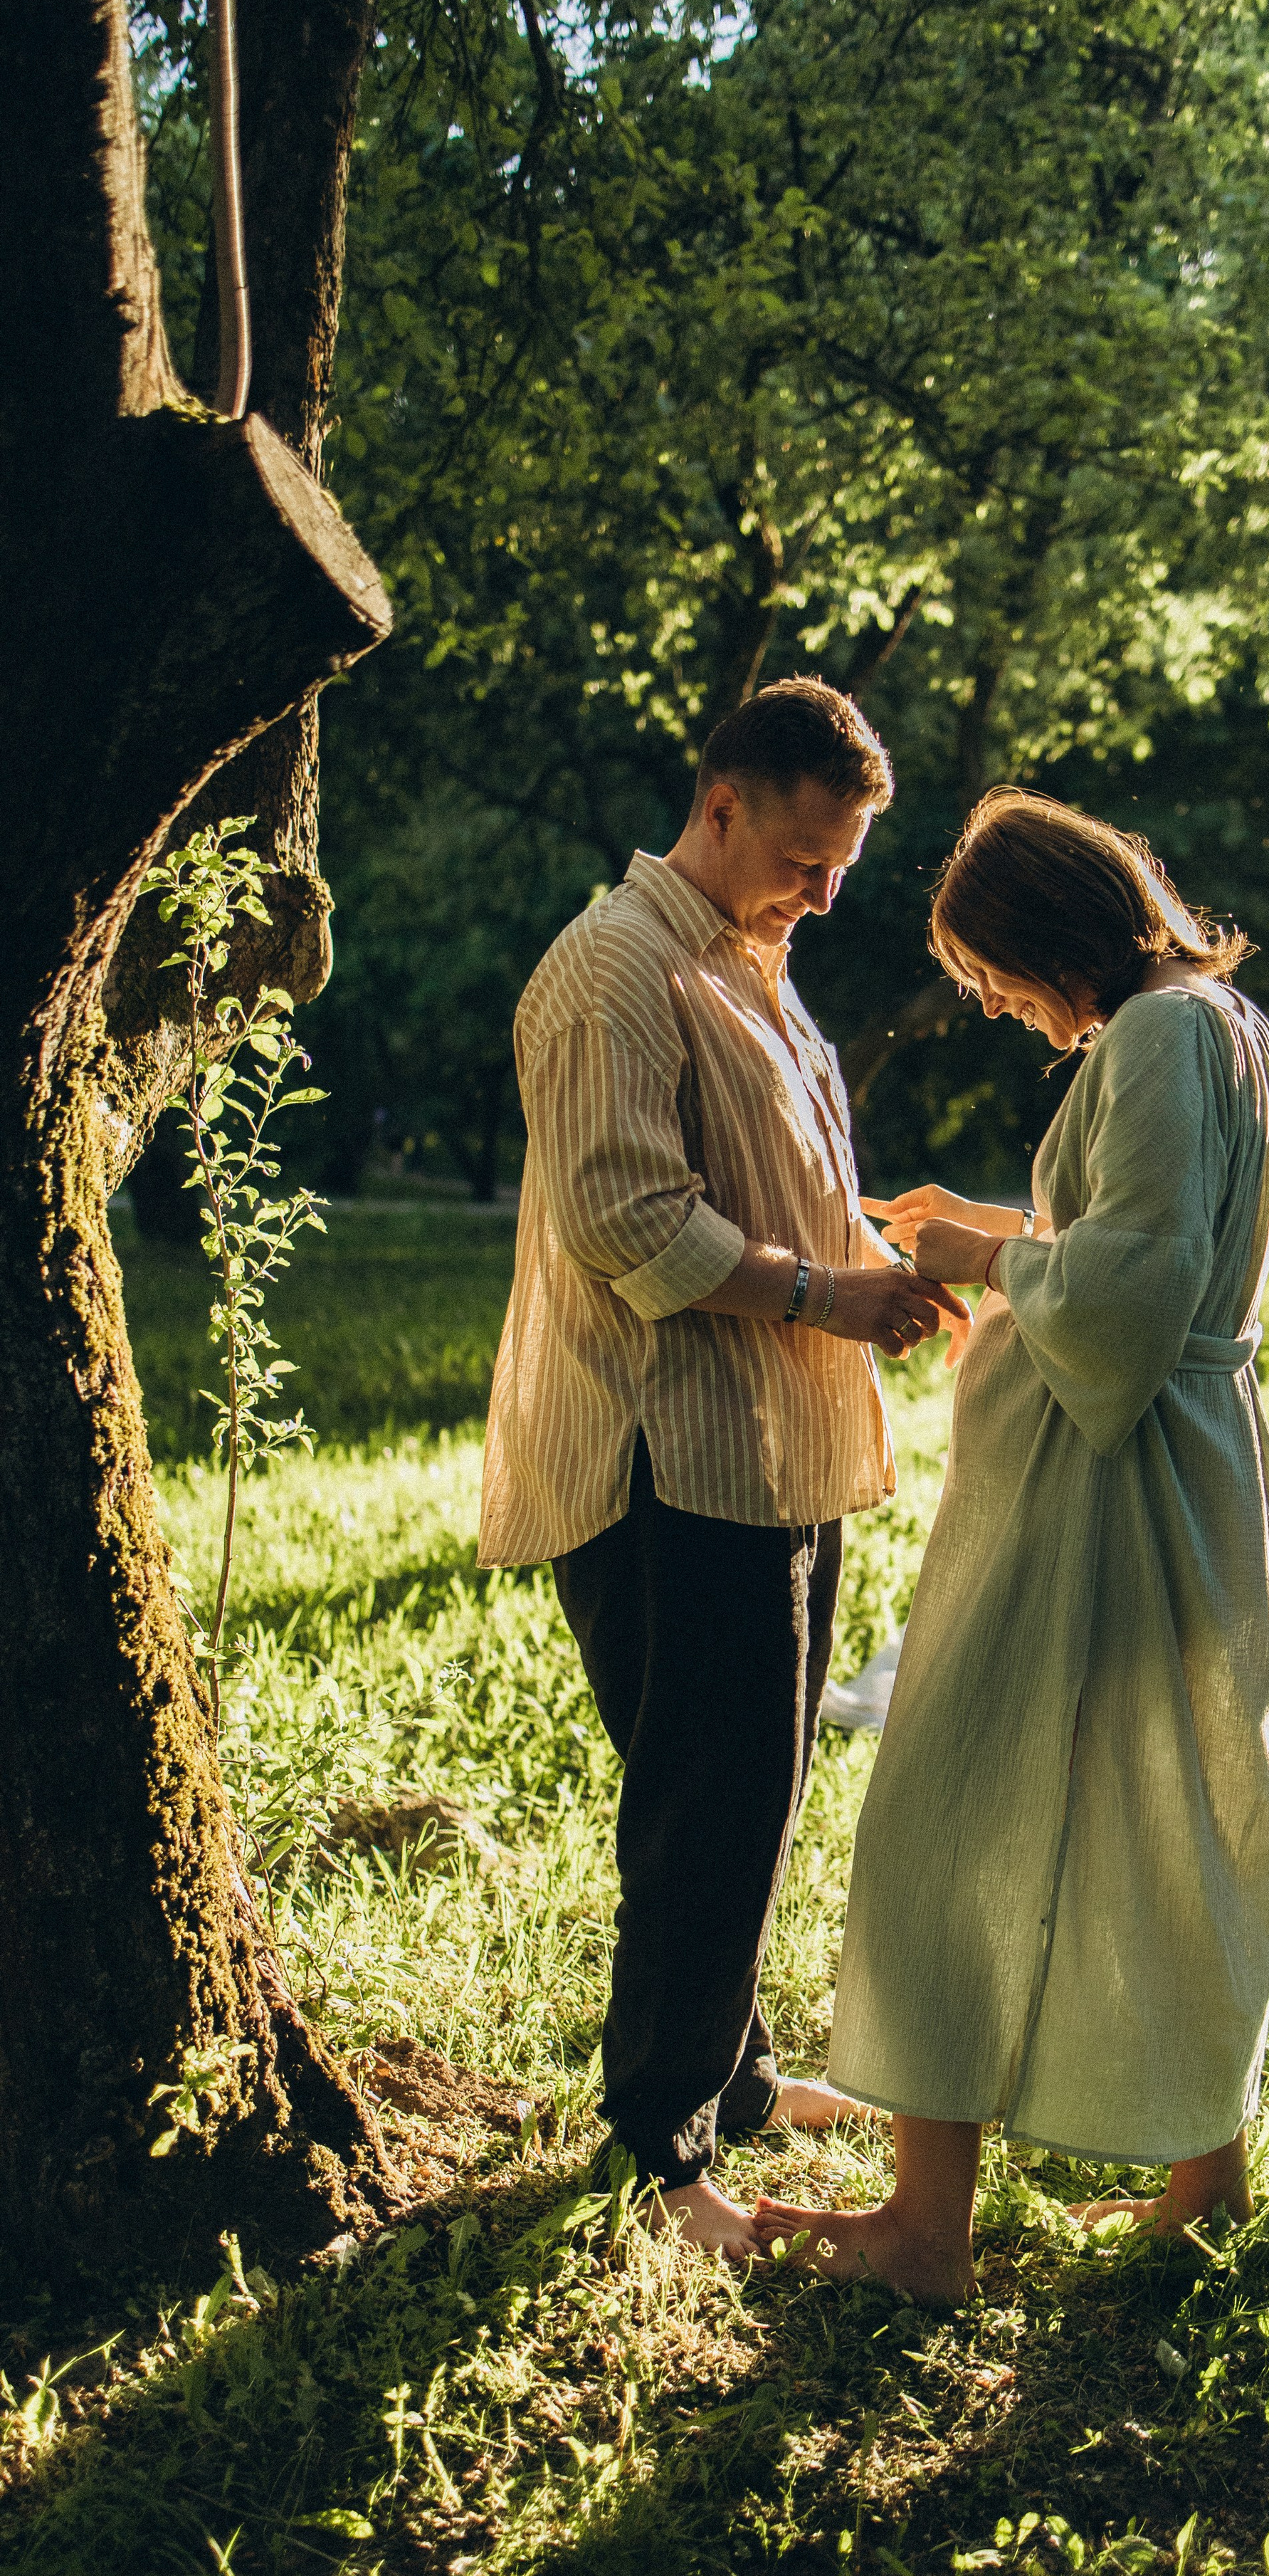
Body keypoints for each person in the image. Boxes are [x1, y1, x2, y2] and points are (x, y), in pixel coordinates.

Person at [754, 787, 1269, 2303]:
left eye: (998, 978)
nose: (1005, 1012)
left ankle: (925, 2233)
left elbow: (1123, 1298)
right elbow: (1150, 1243)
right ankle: (1205, 2177)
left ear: (1048, 931)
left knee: (955, 1799)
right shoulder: (1222, 1022)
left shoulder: (1157, 1037)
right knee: (1173, 1793)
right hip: (1184, 1465)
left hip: (1105, 1482)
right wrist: (992, 1222)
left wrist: (973, 1253)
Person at [478, 679, 969, 2259]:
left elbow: (772, 1180)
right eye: (808, 855)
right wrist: (831, 1293)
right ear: (723, 804)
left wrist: (881, 1249)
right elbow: (628, 1223)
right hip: (664, 1462)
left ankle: (738, 2080)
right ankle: (661, 2148)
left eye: (845, 867)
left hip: (773, 1446)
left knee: (752, 1792)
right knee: (704, 1803)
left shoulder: (753, 966)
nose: (826, 892)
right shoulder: (612, 970)